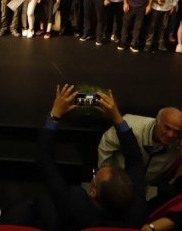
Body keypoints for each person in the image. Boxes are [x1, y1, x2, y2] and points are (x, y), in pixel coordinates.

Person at [37, 84, 148, 230]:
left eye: (96, 175)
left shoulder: (75, 205)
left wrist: (54, 114)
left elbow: (45, 160)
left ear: (93, 191)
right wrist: (117, 117)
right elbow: (135, 160)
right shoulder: (137, 212)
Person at [98, 107, 182, 186]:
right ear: (157, 122)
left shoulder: (178, 145)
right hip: (114, 180)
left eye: (176, 131)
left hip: (141, 187)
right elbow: (107, 144)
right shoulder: (131, 125)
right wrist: (106, 176)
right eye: (167, 128)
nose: (171, 135)